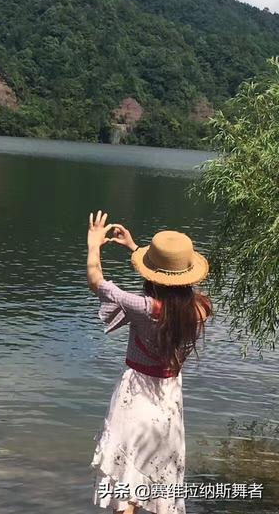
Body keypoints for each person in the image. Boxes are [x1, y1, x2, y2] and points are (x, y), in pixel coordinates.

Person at [86, 211, 211, 514]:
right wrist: (134, 248)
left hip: (137, 396)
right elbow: (170, 285)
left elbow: (97, 282)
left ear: (153, 273)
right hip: (169, 399)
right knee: (154, 473)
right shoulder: (200, 309)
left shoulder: (141, 307)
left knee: (126, 488)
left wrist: (93, 245)